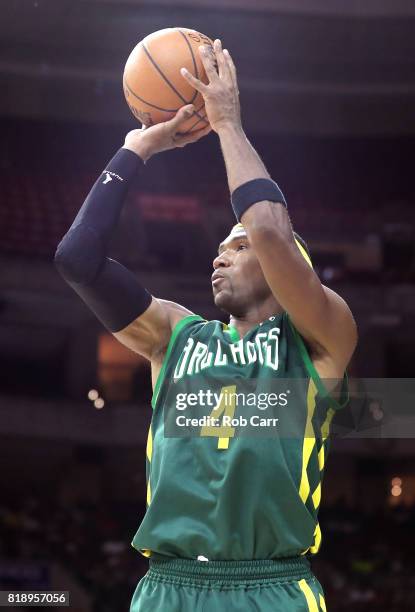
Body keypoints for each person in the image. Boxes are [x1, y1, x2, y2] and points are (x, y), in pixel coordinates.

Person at [54, 39, 357, 612]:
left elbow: (268, 228)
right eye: (219, 249)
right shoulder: (175, 336)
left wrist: (227, 125)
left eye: (235, 247)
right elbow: (77, 260)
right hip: (167, 587)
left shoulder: (322, 334)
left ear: (288, 266)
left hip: (270, 586)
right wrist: (135, 151)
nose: (219, 257)